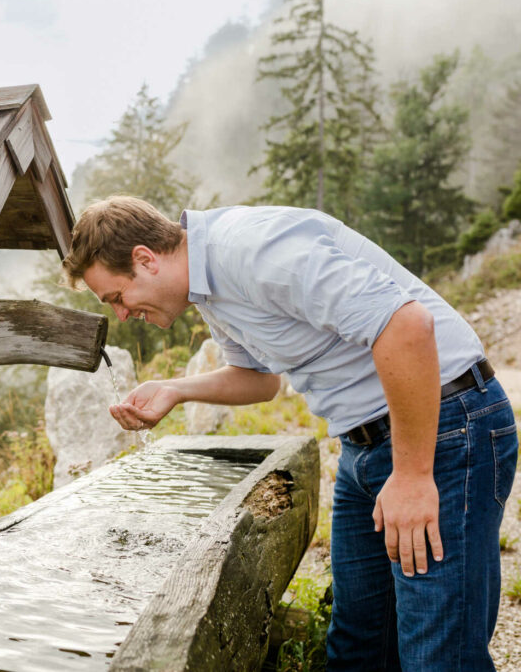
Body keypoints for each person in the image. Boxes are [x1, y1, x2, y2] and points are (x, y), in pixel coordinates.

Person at [61, 196, 518, 671]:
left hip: (443, 427)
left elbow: (406, 325)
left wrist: (412, 474)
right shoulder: (206, 286)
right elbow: (260, 379)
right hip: (364, 448)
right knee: (359, 644)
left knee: (439, 654)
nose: (121, 313)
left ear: (144, 259)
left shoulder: (251, 250)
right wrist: (175, 390)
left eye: (116, 297)